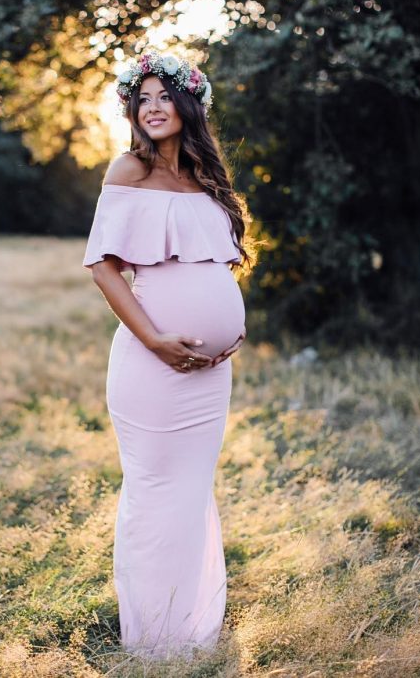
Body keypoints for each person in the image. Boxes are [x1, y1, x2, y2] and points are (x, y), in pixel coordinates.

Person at [82, 50, 255, 661]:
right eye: (143, 99)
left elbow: (216, 267)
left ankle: (193, 630)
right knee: (155, 493)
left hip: (211, 375)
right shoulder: (127, 170)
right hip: (150, 368)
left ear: (188, 106)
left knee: (190, 493)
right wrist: (156, 339)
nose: (152, 109)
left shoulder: (207, 178)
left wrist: (228, 328)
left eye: (164, 98)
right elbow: (103, 269)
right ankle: (152, 643)